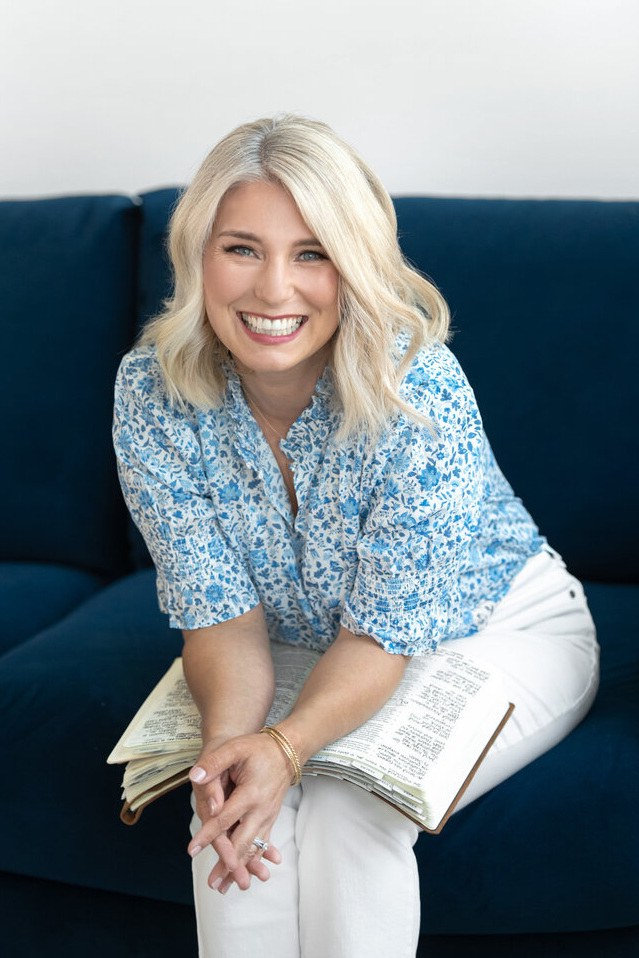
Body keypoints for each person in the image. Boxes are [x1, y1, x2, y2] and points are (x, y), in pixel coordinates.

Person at [112, 114, 600, 958]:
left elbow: (381, 637)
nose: (273, 290)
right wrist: (236, 746)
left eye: (312, 252)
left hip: (498, 627)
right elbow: (221, 617)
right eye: (242, 249)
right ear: (197, 254)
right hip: (305, 642)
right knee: (231, 798)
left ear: (356, 262)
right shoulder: (151, 394)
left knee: (349, 804)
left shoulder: (418, 388)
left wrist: (288, 744)